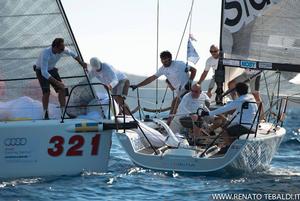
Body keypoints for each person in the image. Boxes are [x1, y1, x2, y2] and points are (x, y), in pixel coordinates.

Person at [131, 50, 197, 125]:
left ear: (170, 59)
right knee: (176, 108)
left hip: (187, 90)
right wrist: (137, 85)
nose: (164, 63)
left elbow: (194, 70)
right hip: (178, 92)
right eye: (162, 61)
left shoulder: (180, 64)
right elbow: (151, 78)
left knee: (174, 104)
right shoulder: (162, 69)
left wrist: (190, 82)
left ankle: (168, 125)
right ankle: (171, 125)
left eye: (166, 61)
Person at [35, 38, 87, 119]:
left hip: (52, 69)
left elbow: (74, 54)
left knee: (62, 89)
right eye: (61, 49)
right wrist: (57, 82)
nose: (63, 50)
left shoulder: (63, 49)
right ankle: (45, 113)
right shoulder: (46, 53)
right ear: (55, 47)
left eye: (63, 48)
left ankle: (63, 113)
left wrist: (81, 62)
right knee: (46, 92)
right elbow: (44, 73)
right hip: (41, 71)